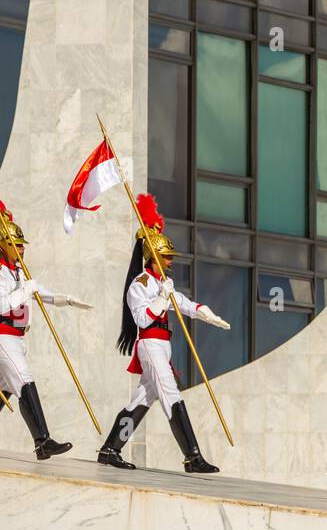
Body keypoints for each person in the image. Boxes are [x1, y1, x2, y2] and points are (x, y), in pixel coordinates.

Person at [98, 194, 230, 474]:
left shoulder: (163, 283)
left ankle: (110, 449)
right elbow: (142, 318)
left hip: (162, 345)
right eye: (167, 256)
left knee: (142, 400)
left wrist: (209, 315)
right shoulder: (140, 284)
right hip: (150, 344)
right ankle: (192, 456)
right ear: (154, 257)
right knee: (171, 394)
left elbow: (185, 305)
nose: (171, 261)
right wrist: (161, 298)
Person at [0, 202, 92, 460]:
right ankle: (43, 441)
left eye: (22, 245)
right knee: (24, 379)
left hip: (17, 338)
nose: (22, 249)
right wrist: (25, 290)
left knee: (0, 389)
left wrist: (69, 300)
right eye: (17, 245)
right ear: (3, 246)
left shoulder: (19, 274)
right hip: (0, 336)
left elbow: (44, 295)